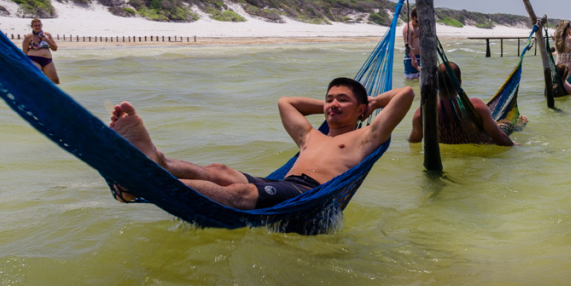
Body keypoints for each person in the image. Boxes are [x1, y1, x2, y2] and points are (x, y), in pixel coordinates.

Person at [108, 78, 414, 209]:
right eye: (328, 99)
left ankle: (147, 186)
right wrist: (329, 106)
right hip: (282, 184)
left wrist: (372, 102)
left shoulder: (367, 136)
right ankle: (157, 161)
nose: (332, 105)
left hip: (309, 195)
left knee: (239, 194)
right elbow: (286, 102)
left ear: (361, 111)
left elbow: (406, 94)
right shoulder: (311, 135)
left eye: (342, 100)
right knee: (219, 169)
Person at [408, 62, 518, 146]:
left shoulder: (422, 113)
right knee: (507, 124)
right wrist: (516, 146)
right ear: (459, 83)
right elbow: (500, 139)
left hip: (447, 157)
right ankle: (520, 122)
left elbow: (414, 143)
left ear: (436, 84)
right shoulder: (476, 105)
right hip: (477, 153)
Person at [22, 18, 60, 84]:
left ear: (41, 25)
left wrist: (47, 40)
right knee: (36, 79)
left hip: (47, 60)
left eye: (39, 25)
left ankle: (52, 94)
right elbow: (24, 51)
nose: (37, 27)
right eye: (35, 25)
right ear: (32, 27)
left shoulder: (47, 35)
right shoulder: (28, 37)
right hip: (34, 59)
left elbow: (55, 48)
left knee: (55, 81)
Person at [402, 9, 421, 79]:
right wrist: (413, 58)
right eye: (417, 21)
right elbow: (408, 45)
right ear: (411, 17)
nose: (418, 23)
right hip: (411, 58)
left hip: (421, 58)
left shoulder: (419, 27)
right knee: (412, 80)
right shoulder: (408, 28)